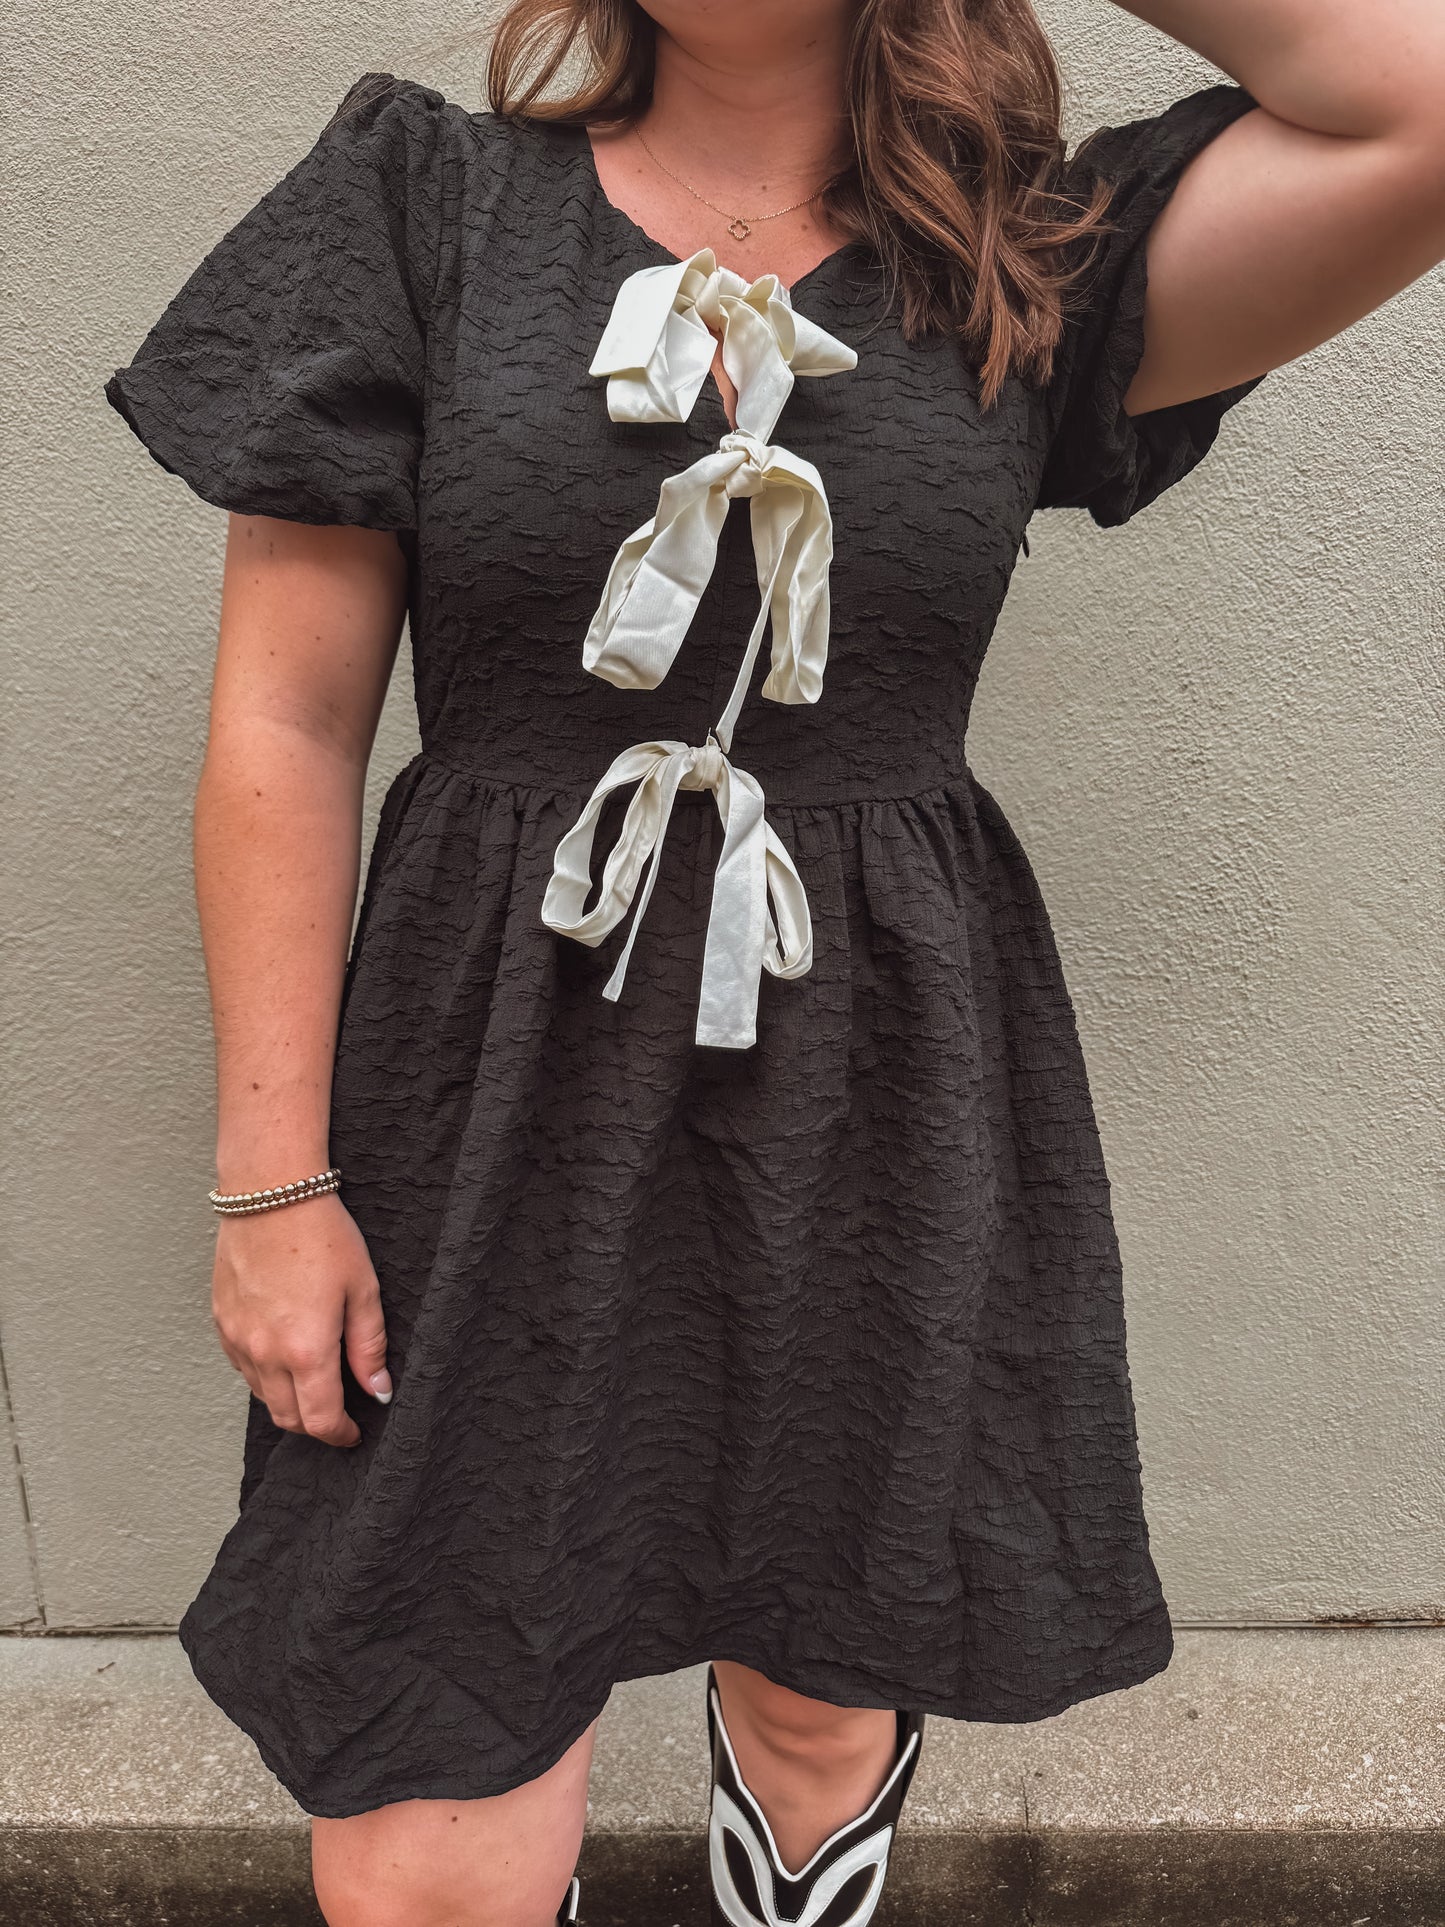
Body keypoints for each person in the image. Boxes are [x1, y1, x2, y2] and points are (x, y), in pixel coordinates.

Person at [104, 1, 1444, 1922]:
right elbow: (285, 729)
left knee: (822, 1704)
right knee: (425, 1822)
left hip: (870, 1082)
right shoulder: (424, 200)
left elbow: (1418, 104)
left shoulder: (1025, 259)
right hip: (475, 1094)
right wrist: (272, 1181)